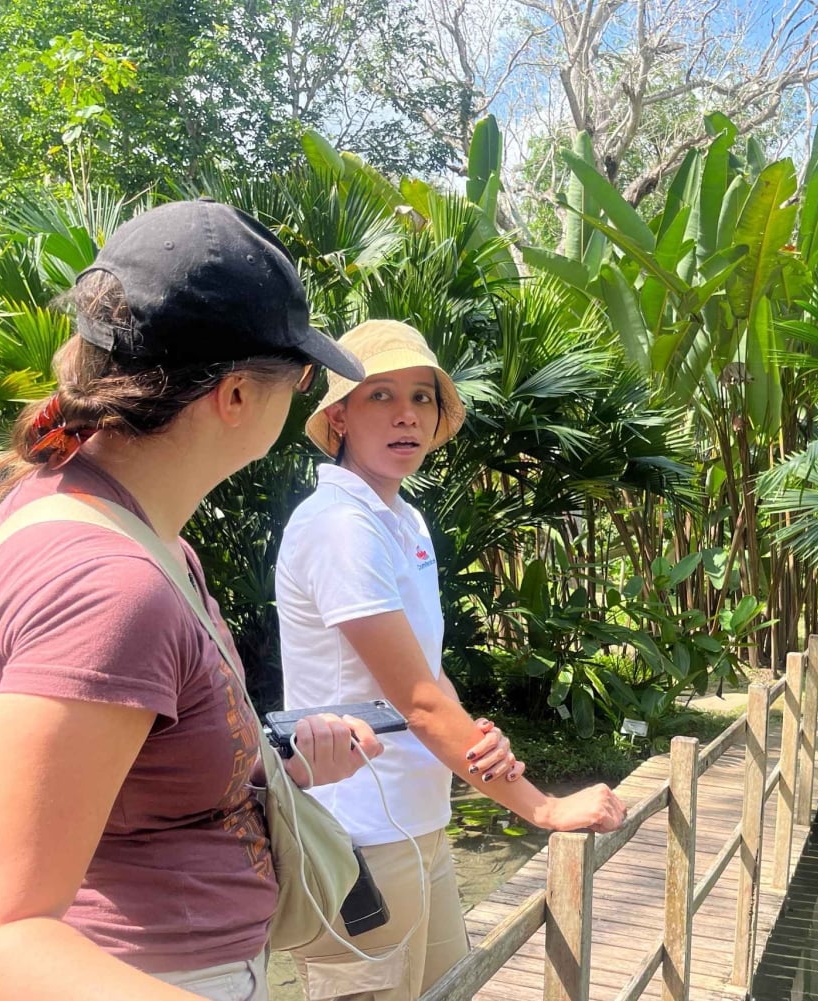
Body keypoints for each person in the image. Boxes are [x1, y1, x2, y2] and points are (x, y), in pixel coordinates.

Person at [0, 199, 383, 1001]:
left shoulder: (94, 514)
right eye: (302, 374)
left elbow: (125, 771)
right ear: (237, 395)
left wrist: (269, 759)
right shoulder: (112, 588)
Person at [275, 319, 628, 1001]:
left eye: (423, 396)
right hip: (360, 840)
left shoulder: (400, 519)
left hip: (420, 820)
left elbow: (427, 674)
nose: (407, 413)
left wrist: (480, 745)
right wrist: (543, 808)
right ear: (339, 416)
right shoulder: (340, 527)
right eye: (381, 395)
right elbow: (417, 702)